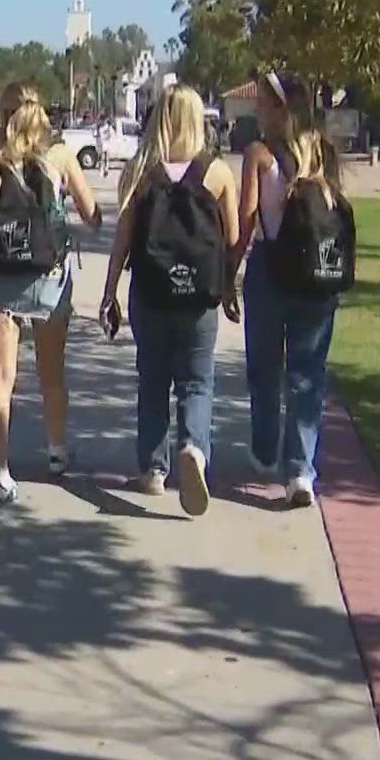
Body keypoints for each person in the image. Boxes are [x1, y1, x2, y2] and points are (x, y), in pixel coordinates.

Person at [99, 85, 239, 518]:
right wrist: (228, 285)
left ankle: (153, 470)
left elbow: (123, 238)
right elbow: (233, 239)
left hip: (151, 292)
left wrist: (110, 292)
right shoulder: (216, 174)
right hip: (199, 298)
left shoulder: (142, 171)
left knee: (153, 381)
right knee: (197, 381)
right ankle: (194, 448)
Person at [0, 83, 102, 505]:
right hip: (50, 277)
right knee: (51, 371)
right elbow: (93, 214)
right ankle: (57, 451)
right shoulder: (58, 156)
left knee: (1, 377)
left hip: (1, 280)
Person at [229, 73, 345, 508]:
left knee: (264, 367)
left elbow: (246, 222)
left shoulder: (258, 154)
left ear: (283, 111)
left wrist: (228, 276)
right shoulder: (323, 154)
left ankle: (264, 452)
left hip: (270, 270)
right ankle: (300, 470)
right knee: (307, 374)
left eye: (262, 104)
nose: (256, 110)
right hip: (316, 273)